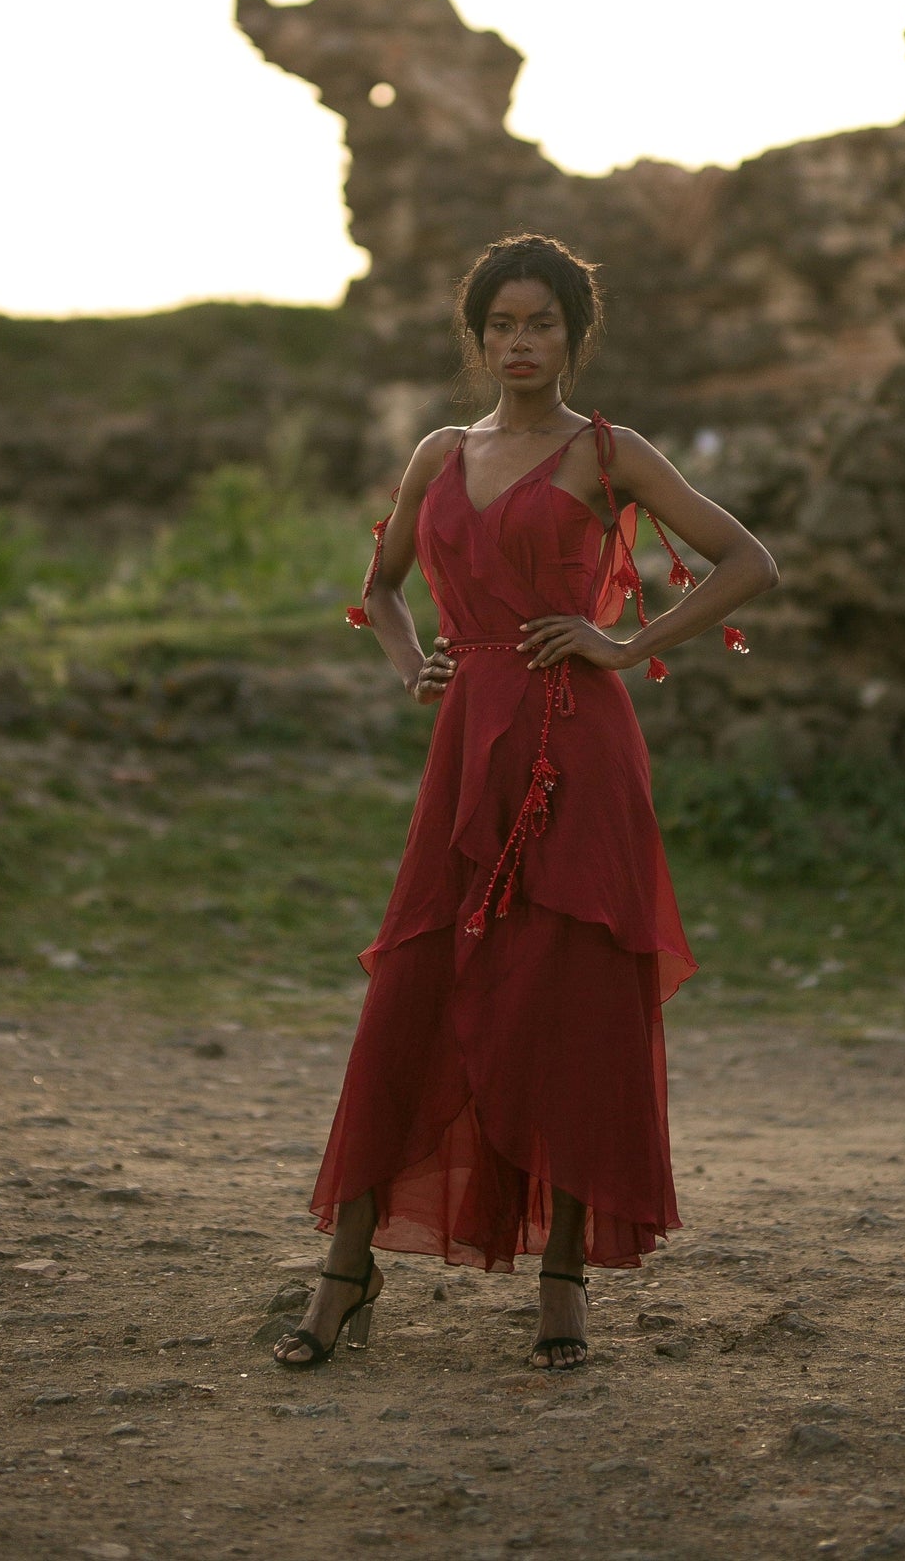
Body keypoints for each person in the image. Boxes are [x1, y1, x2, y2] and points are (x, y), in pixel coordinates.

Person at [273, 233, 779, 1371]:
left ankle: (561, 1284)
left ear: (572, 335)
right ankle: (344, 1270)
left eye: (539, 323)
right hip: (465, 749)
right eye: (499, 324)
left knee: (566, 997)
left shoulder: (611, 451)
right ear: (475, 335)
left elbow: (748, 560)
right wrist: (411, 666)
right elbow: (382, 587)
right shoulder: (438, 452)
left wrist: (627, 639)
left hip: (577, 747)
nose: (518, 342)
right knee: (415, 982)